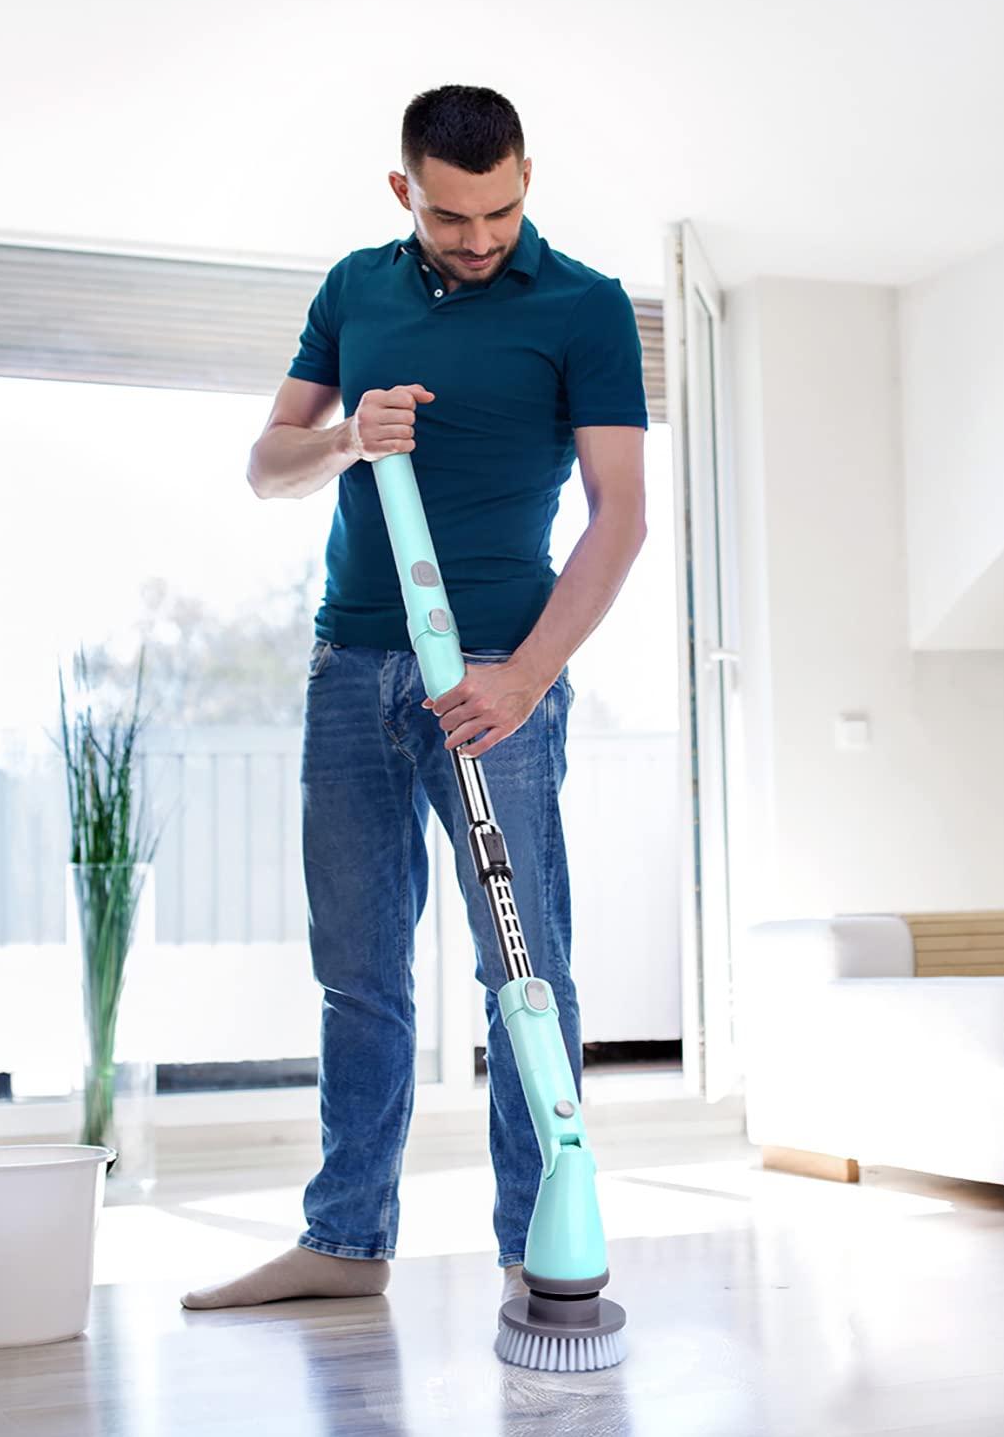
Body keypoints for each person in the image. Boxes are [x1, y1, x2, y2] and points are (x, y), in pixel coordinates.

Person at [181, 84, 648, 1311]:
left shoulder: (586, 308)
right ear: (405, 193)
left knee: (523, 966)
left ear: (526, 178)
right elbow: (265, 465)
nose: (480, 238)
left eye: (499, 210)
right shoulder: (355, 288)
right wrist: (347, 438)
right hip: (350, 671)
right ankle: (343, 1243)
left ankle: (535, 1245)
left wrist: (525, 677)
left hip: (493, 672)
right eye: (451, 217)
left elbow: (622, 516)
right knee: (358, 969)